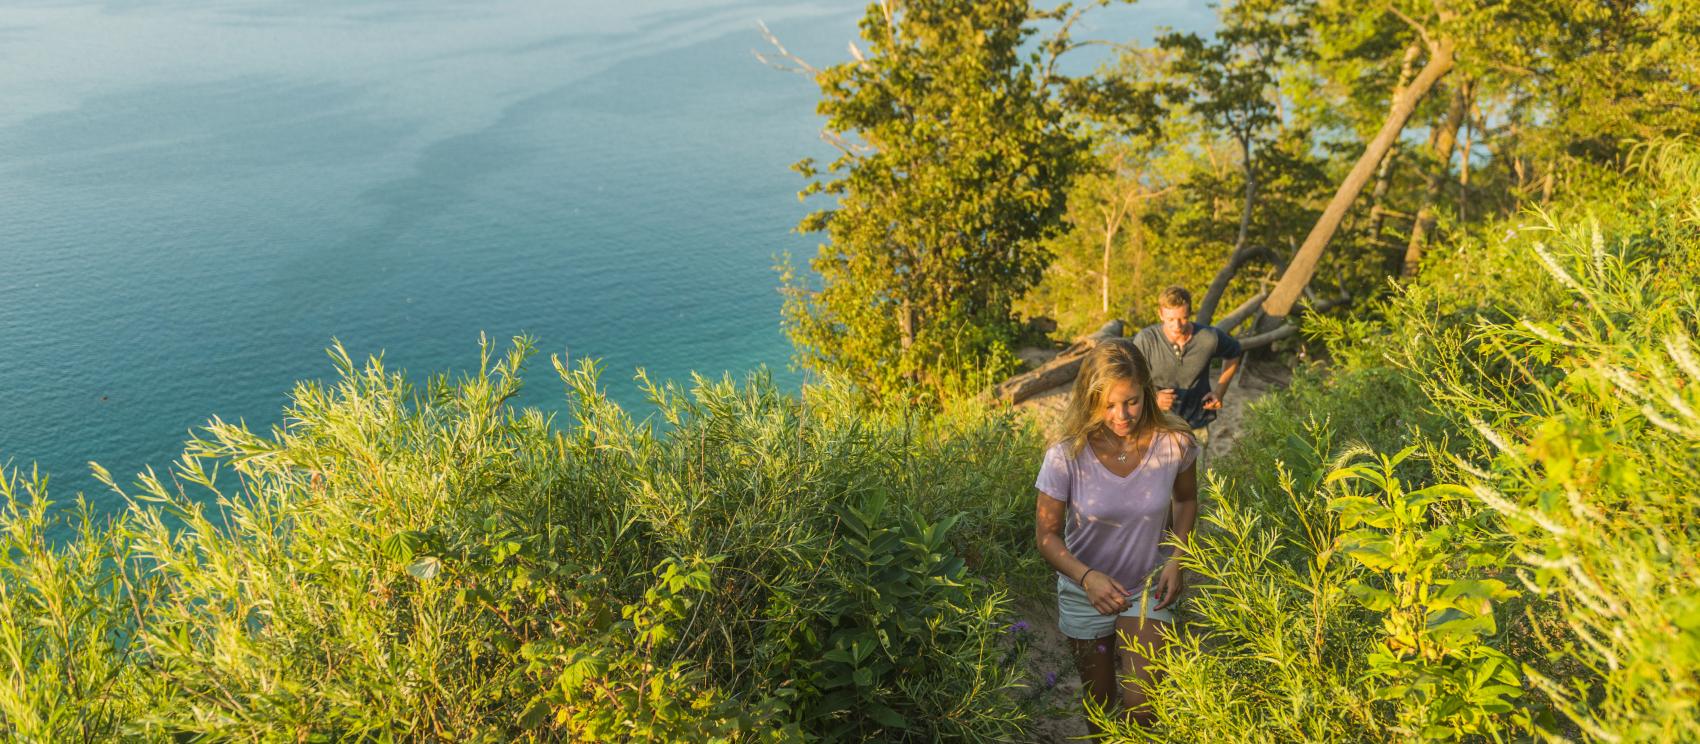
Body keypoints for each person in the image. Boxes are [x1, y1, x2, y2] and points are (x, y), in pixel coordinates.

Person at [1034, 337, 1199, 729]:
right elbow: (1046, 536)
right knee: (1102, 708)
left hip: (1149, 589)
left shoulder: (1175, 443)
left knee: (1143, 706)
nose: (1122, 414)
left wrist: (1178, 560)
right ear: (1090, 398)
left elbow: (1187, 502)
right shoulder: (1066, 455)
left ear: (1146, 390)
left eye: (1131, 401)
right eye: (1108, 404)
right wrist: (1087, 578)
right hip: (1084, 591)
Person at [1129, 286, 1243, 457]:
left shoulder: (1208, 337)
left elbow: (1234, 353)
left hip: (1197, 423)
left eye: (1183, 318)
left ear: (1190, 313)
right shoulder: (1146, 340)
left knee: (1195, 480)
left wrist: (1220, 391)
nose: (1177, 325)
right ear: (1160, 314)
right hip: (1157, 423)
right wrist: (1153, 399)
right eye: (1171, 319)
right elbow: (1130, 379)